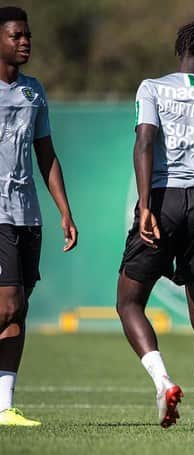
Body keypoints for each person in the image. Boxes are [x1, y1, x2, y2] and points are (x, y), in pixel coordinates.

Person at [116, 21, 194, 430]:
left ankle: (163, 382)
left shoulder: (151, 87)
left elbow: (145, 142)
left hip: (162, 198)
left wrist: (147, 205)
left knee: (129, 302)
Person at [0, 6, 78, 427]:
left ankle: (3, 407)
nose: (24, 42)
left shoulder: (33, 92)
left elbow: (46, 153)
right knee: (6, 303)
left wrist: (64, 210)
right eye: (15, 36)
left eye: (27, 35)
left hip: (27, 213)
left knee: (19, 309)